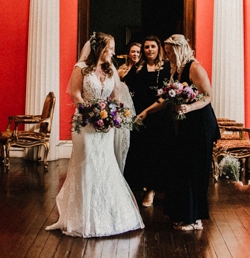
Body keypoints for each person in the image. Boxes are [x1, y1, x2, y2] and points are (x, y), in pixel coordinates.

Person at [45, 32, 144, 238]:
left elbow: (116, 97)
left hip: (106, 127)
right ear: (100, 49)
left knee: (106, 165)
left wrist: (112, 115)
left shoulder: (111, 70)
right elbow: (76, 94)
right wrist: (92, 114)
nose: (114, 52)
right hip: (85, 125)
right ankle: (83, 217)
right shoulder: (80, 68)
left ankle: (109, 214)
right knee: (87, 165)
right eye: (110, 48)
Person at [137, 34, 218, 231]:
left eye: (170, 51)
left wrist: (189, 109)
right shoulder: (177, 70)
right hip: (186, 125)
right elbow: (165, 99)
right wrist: (146, 112)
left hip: (200, 124)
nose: (167, 56)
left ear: (179, 49)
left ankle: (196, 218)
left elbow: (208, 97)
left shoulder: (194, 67)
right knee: (182, 169)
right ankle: (186, 215)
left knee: (194, 170)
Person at [123, 35, 171, 206]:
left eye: (153, 47)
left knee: (156, 153)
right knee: (140, 151)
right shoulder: (138, 68)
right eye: (146, 47)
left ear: (159, 49)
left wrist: (147, 111)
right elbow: (125, 85)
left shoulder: (166, 67)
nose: (149, 50)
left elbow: (168, 94)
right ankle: (140, 186)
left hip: (159, 116)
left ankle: (152, 190)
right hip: (139, 116)